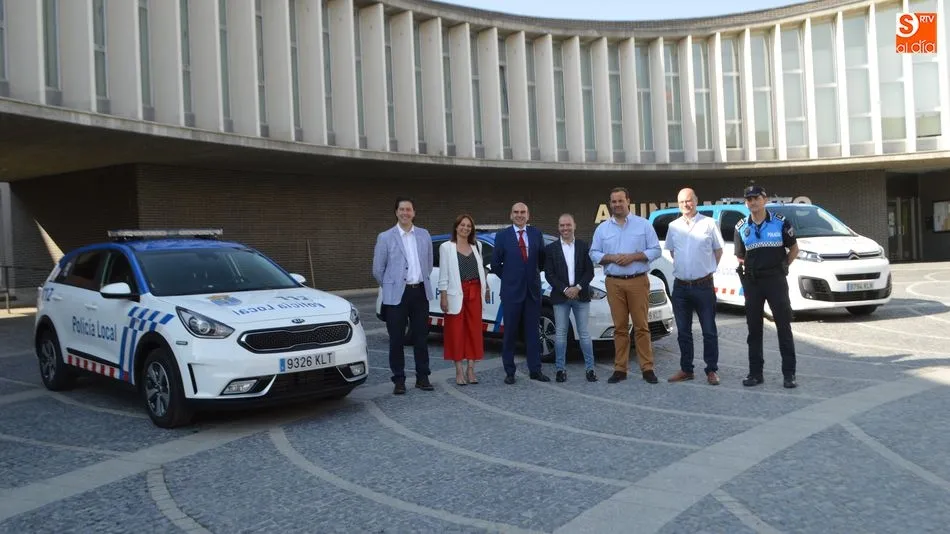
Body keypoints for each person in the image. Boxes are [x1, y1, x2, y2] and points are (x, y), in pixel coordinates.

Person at [590, 187, 662, 384]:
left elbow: (656, 250)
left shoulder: (643, 225)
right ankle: (620, 369)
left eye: (620, 201)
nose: (617, 205)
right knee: (620, 328)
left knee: (642, 327)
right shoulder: (602, 229)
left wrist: (634, 257)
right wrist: (611, 258)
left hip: (638, 280)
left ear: (628, 201)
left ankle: (647, 368)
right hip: (614, 283)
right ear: (610, 204)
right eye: (613, 201)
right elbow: (593, 253)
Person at [733, 182, 799, 389]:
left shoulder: (780, 223)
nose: (753, 202)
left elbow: (794, 249)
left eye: (756, 198)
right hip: (753, 283)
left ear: (765, 200)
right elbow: (740, 256)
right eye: (749, 199)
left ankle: (789, 374)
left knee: (783, 326)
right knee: (754, 329)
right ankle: (755, 373)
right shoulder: (741, 227)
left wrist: (782, 267)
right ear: (746, 203)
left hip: (776, 281)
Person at [372, 197, 435, 395]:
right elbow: (377, 270)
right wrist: (390, 285)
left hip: (420, 292)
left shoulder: (424, 235)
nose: (405, 213)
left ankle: (422, 377)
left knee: (421, 338)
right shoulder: (385, 237)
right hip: (397, 295)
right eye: (401, 209)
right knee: (397, 339)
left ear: (414, 213)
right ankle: (399, 380)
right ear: (396, 212)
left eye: (408, 209)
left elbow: (429, 263)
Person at [665, 188, 724, 386]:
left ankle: (711, 370)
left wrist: (707, 270)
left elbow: (718, 250)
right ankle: (686, 369)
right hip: (680, 287)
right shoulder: (673, 226)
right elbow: (673, 252)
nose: (685, 205)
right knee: (683, 331)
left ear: (696, 201)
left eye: (689, 201)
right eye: (682, 202)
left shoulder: (708, 223)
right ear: (678, 203)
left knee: (709, 330)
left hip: (704, 285)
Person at [491, 202, 550, 384]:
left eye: (523, 212)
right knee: (510, 333)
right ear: (511, 215)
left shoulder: (536, 234)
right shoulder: (502, 237)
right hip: (511, 293)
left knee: (533, 333)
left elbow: (541, 261)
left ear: (528, 215)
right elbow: (495, 265)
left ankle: (535, 370)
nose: (519, 215)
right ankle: (510, 372)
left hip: (532, 293)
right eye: (516, 212)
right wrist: (510, 279)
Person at [543, 213, 597, 383]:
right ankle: (560, 370)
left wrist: (578, 287)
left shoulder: (582, 246)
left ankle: (590, 370)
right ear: (558, 228)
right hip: (561, 296)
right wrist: (566, 289)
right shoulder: (551, 249)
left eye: (568, 225)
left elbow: (590, 271)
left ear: (574, 226)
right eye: (562, 225)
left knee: (584, 334)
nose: (565, 228)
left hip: (580, 295)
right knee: (560, 335)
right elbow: (549, 274)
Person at [438, 214, 491, 385]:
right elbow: (443, 274)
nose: (465, 228)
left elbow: (481, 269)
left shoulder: (477, 245)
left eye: (469, 226)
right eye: (462, 225)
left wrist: (486, 286)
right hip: (456, 293)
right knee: (456, 332)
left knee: (474, 331)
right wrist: (444, 296)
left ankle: (471, 369)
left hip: (475, 291)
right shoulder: (446, 247)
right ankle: (459, 370)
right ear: (456, 227)